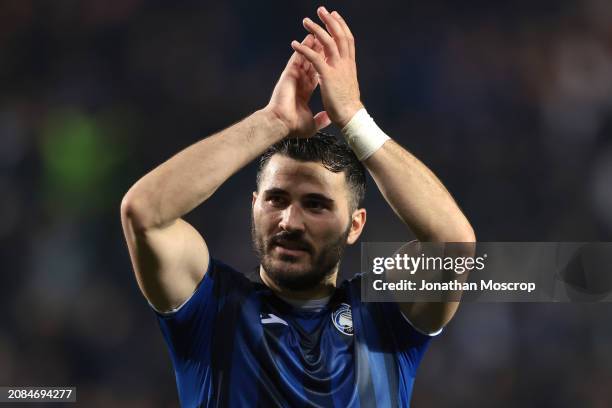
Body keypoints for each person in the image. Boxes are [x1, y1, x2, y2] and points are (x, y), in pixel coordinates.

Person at [120, 6, 475, 407]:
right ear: (254, 207)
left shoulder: (382, 320)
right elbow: (144, 213)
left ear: (355, 225)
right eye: (276, 199)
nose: (290, 220)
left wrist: (355, 120)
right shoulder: (213, 311)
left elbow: (452, 243)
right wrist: (272, 120)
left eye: (316, 205)